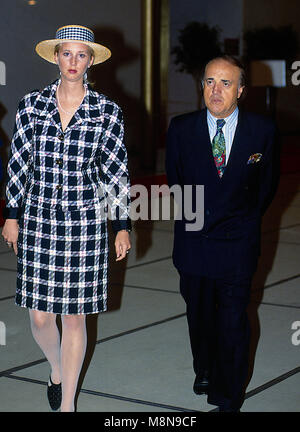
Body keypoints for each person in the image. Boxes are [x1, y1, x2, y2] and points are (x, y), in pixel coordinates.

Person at [1, 25, 131, 412]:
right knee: (41, 318)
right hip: (38, 219)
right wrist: (11, 215)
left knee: (75, 319)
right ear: (55, 57)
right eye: (67, 53)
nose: (73, 62)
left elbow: (116, 173)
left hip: (85, 224)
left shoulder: (107, 111)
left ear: (91, 61)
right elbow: (18, 165)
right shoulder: (31, 106)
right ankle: (56, 369)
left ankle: (68, 403)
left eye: (81, 55)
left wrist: (121, 225)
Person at [166, 55, 280, 412]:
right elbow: (176, 182)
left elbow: (267, 189)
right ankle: (204, 367)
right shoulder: (181, 128)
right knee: (199, 316)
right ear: (202, 87)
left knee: (233, 320)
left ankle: (229, 398)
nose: (216, 90)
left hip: (237, 244)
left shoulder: (262, 131)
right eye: (209, 82)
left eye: (226, 83)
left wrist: (239, 220)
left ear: (241, 90)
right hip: (194, 244)